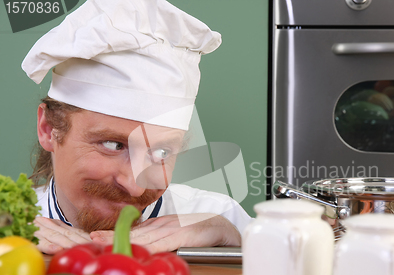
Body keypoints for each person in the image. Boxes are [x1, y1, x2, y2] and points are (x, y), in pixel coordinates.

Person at [22, 0, 253, 254]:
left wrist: (238, 243)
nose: (135, 185)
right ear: (48, 129)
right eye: (113, 145)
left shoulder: (219, 218)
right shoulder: (10, 225)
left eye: (161, 153)